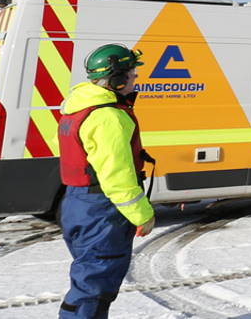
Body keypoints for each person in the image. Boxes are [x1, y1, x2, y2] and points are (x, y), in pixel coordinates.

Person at [58, 44, 156, 319]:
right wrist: (142, 214)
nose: (135, 81)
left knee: (89, 279)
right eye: (133, 75)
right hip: (102, 209)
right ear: (117, 79)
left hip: (79, 203)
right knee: (94, 288)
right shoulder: (108, 117)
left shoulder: (80, 107)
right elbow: (117, 176)